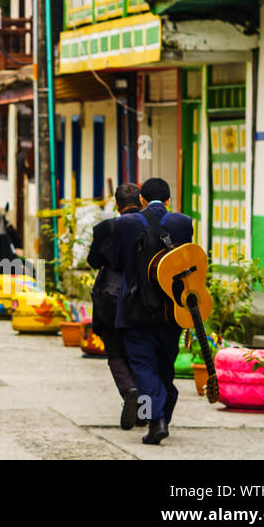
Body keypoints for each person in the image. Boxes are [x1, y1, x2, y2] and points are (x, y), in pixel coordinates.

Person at [108, 176, 194, 445]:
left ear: (141, 199)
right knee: (164, 365)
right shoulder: (183, 223)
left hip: (136, 309)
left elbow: (116, 262)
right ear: (169, 200)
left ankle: (155, 419)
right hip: (172, 309)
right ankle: (162, 415)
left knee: (143, 366)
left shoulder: (124, 224)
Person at [86, 182, 143, 431]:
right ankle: (144, 411)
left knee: (116, 353)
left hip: (110, 298)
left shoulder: (105, 228)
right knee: (141, 357)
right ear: (141, 202)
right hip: (141, 299)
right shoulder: (150, 225)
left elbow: (92, 260)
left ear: (117, 205)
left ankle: (129, 390)